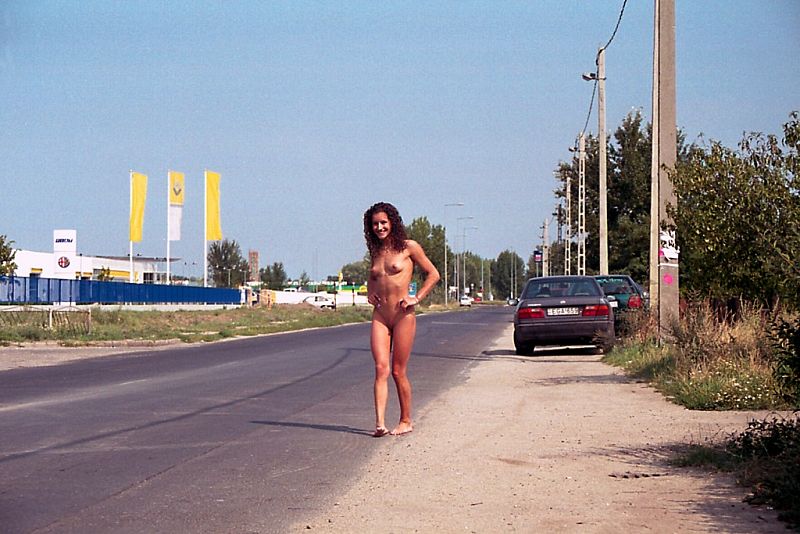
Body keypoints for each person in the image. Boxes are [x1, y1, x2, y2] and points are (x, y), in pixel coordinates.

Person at [363, 202, 440, 437]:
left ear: (392, 223)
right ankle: (380, 424)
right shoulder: (376, 252)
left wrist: (417, 297)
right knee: (380, 368)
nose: (379, 227)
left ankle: (406, 420)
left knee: (398, 371)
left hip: (403, 315)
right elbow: (373, 277)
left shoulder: (409, 247)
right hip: (380, 315)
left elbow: (433, 274)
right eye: (375, 224)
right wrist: (370, 293)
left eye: (383, 223)